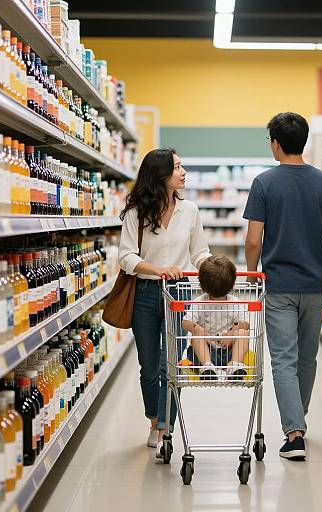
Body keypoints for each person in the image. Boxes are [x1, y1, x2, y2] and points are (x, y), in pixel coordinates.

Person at [243, 112, 322, 461]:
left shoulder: (263, 183)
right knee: (307, 357)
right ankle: (297, 419)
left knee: (283, 360)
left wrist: (252, 274)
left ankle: (294, 431)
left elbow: (254, 240)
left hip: (279, 285)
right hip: (316, 285)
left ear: (276, 143)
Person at [118, 148, 211, 458]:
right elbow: (126, 256)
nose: (183, 172)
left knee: (171, 362)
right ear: (160, 175)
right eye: (176, 167)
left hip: (180, 293)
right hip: (145, 293)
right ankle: (155, 417)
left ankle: (165, 425)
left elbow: (199, 252)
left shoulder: (191, 211)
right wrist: (157, 269)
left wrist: (214, 269)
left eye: (182, 165)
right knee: (149, 365)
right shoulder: (136, 213)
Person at [182, 255, 249, 380]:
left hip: (229, 352)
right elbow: (185, 323)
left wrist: (232, 333)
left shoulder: (234, 303)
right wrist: (198, 329)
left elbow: (245, 324)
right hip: (203, 353)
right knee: (196, 332)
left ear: (202, 284)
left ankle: (234, 366)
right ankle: (207, 368)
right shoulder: (199, 303)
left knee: (242, 332)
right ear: (232, 283)